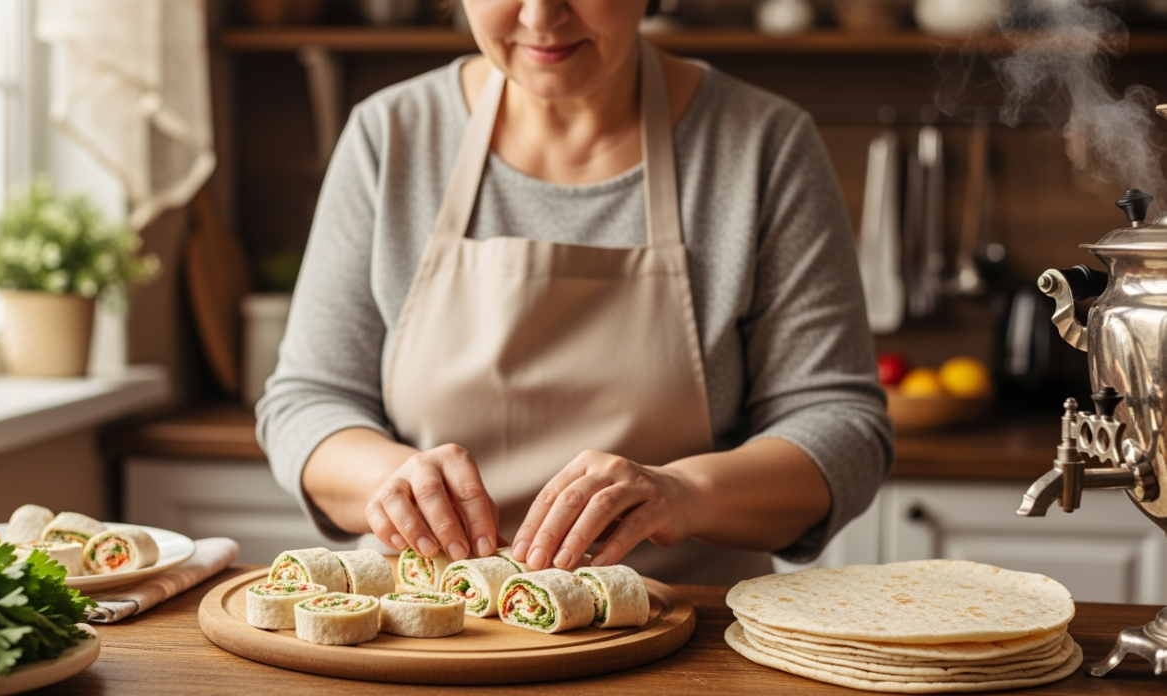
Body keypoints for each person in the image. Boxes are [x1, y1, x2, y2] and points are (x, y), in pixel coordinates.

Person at [257, 0, 892, 584]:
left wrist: (687, 492)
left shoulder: (764, 145)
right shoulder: (389, 135)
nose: (540, 16)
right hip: (429, 629)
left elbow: (840, 426)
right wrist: (388, 478)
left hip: (690, 634)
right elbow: (309, 401)